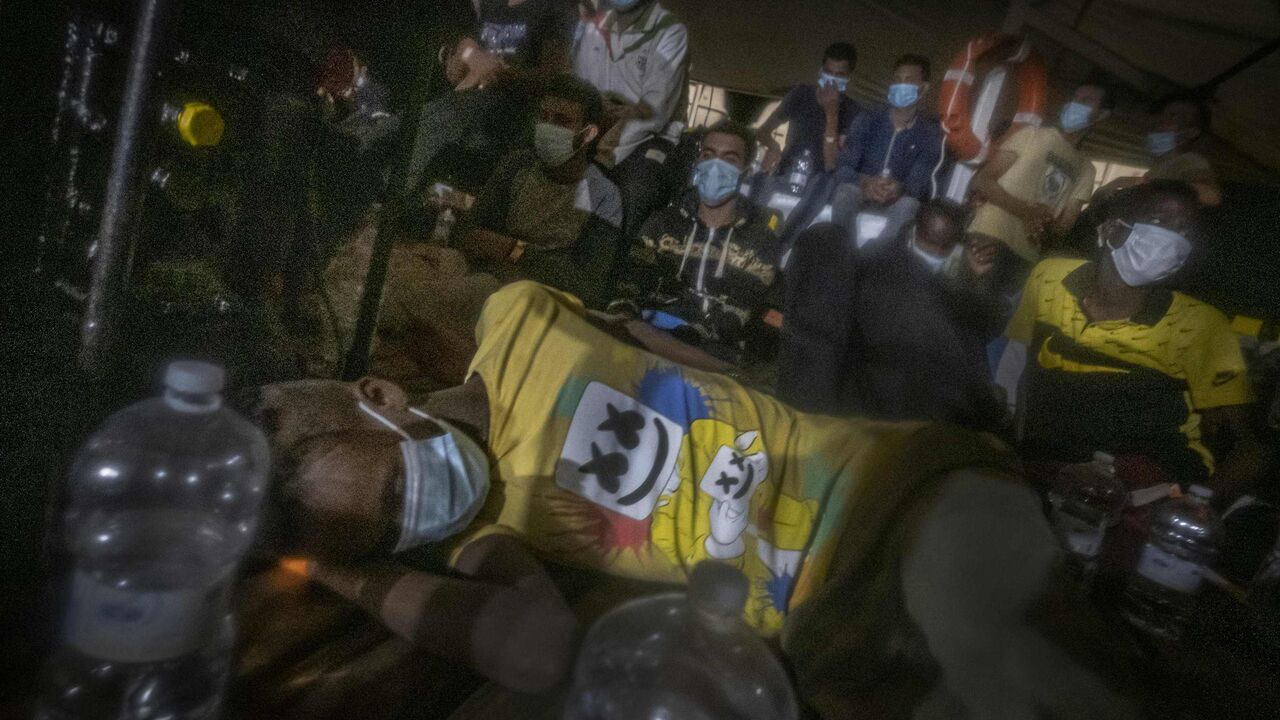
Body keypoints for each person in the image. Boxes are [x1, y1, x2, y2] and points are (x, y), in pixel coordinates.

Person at [246, 280, 1140, 718]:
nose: (422, 513)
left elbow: (627, 329)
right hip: (827, 630)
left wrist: (737, 384)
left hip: (890, 491)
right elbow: (538, 648)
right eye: (393, 532)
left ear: (382, 397)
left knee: (1042, 681)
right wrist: (333, 566)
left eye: (397, 488)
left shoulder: (515, 317)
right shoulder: (482, 534)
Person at [995, 181, 1266, 498]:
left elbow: (1251, 450)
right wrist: (1008, 451)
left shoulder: (1202, 325)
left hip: (1146, 490)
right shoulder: (1049, 277)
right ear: (1111, 229)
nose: (1171, 240)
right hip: (1047, 472)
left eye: (1184, 231)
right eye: (1158, 222)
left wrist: (1186, 505)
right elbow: (1015, 370)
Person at [776, 201, 1005, 428]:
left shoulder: (954, 278)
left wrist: (975, 281)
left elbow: (983, 328)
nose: (936, 253)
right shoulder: (879, 263)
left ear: (957, 244)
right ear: (915, 230)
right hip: (894, 396)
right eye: (930, 243)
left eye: (945, 247)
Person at [614, 119, 783, 366]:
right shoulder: (663, 222)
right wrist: (626, 318)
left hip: (706, 356)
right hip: (640, 340)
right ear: (698, 161)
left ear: (746, 171)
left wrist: (664, 339)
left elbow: (737, 317)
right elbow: (628, 284)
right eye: (708, 155)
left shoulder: (759, 242)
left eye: (729, 159)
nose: (715, 166)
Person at [454, 74, 622, 309]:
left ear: (587, 134)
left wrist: (514, 251)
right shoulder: (519, 165)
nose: (548, 127)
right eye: (544, 117)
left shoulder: (603, 196)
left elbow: (587, 286)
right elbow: (471, 233)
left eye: (561, 121)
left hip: (533, 302)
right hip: (480, 274)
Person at [400, 0, 578, 195]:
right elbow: (467, 47)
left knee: (426, 147)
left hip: (509, 117)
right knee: (399, 132)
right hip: (463, 105)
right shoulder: (492, 5)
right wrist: (465, 57)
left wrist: (499, 73)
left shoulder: (556, 8)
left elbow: (552, 79)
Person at [966, 83, 1111, 292]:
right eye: (1075, 97)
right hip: (986, 239)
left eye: (1086, 101)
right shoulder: (1031, 135)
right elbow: (982, 180)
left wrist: (1046, 229)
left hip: (1026, 258)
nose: (1075, 103)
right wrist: (1027, 213)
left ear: (1102, 115)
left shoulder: (1086, 169)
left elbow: (1064, 226)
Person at [573, 0, 690, 239]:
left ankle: (610, 249)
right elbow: (583, 88)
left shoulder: (669, 34)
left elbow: (653, 114)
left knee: (631, 191)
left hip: (652, 138)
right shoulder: (597, 29)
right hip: (604, 123)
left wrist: (603, 156)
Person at [830, 53, 943, 248]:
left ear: (923, 88)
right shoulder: (867, 119)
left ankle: (874, 255)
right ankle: (842, 252)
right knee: (844, 193)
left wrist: (898, 188)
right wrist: (866, 182)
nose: (901, 85)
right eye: (897, 79)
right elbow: (844, 166)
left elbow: (919, 184)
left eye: (909, 81)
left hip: (897, 199)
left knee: (909, 205)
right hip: (861, 190)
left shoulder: (929, 134)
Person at [755, 41, 861, 178]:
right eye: (828, 72)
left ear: (848, 77)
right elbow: (762, 132)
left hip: (822, 184)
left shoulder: (854, 112)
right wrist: (774, 147)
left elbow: (832, 164)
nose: (832, 79)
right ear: (821, 71)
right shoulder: (800, 94)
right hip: (786, 175)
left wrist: (832, 115)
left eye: (839, 75)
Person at [1099, 93, 1221, 207]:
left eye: (1174, 116)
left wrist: (1136, 183)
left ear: (1191, 132)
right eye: (1163, 114)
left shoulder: (1190, 160)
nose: (1161, 120)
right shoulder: (1160, 167)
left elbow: (1211, 195)